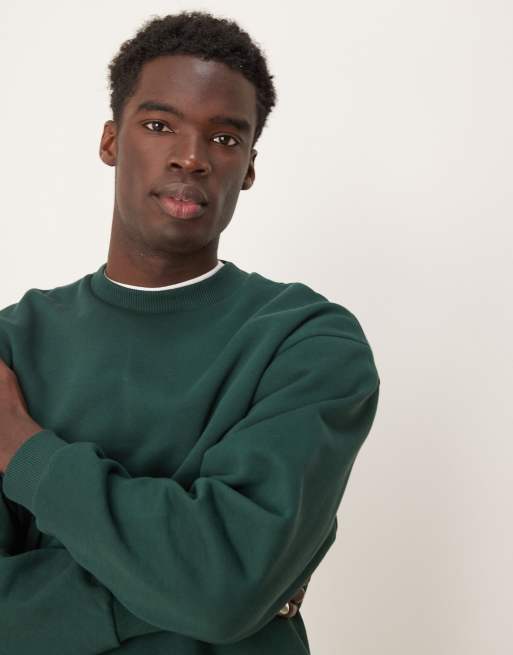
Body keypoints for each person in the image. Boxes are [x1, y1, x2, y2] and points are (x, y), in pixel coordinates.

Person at [0, 10, 380, 654]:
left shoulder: (308, 342)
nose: (191, 157)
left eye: (225, 138)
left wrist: (21, 450)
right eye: (158, 125)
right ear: (111, 141)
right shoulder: (13, 343)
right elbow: (224, 586)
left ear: (249, 167)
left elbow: (224, 586)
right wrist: (209, 587)